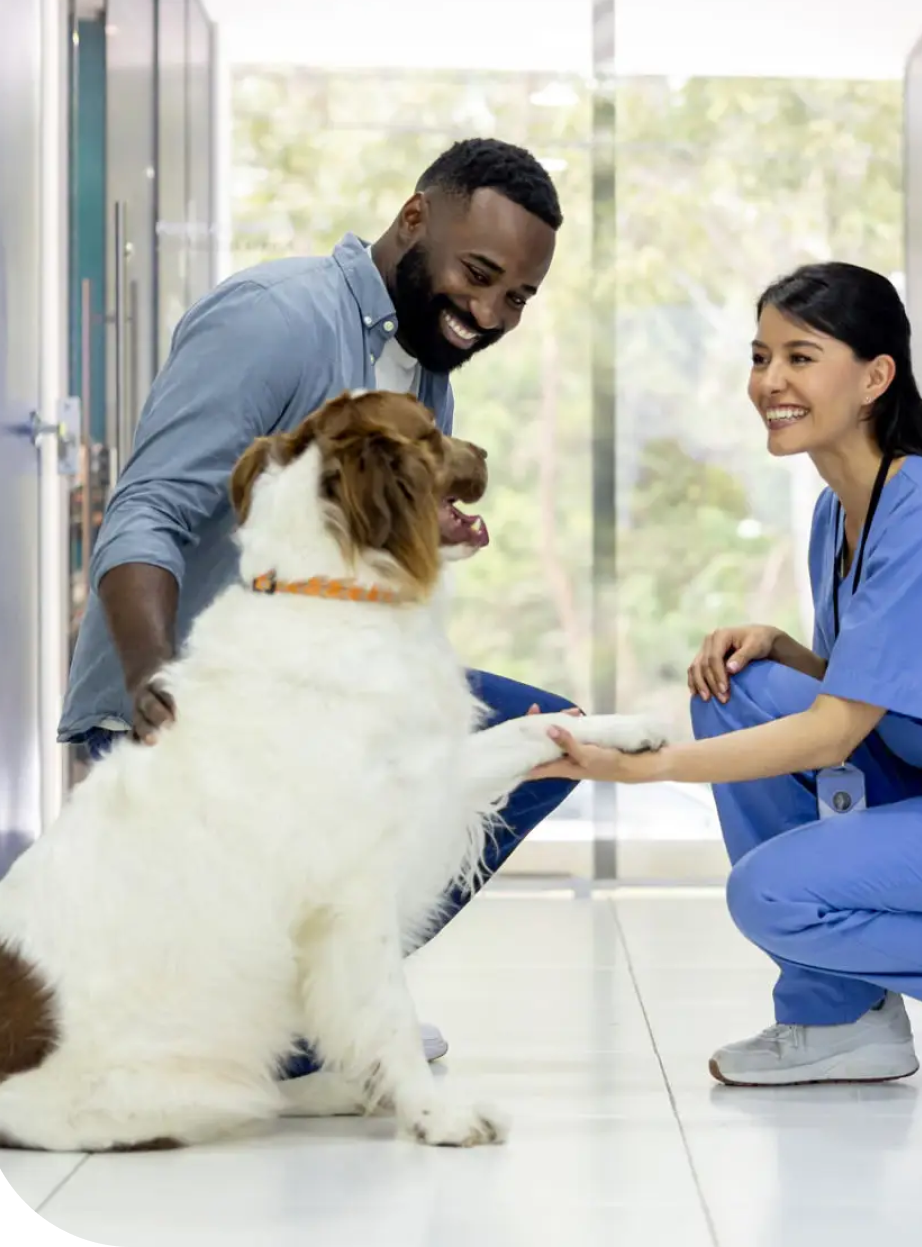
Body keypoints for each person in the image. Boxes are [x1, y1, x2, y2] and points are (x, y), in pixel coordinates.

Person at [534, 262, 922, 1097]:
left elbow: (834, 734)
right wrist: (792, 652)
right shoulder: (841, 511)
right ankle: (841, 1018)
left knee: (773, 894)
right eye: (760, 357)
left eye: (800, 357)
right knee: (739, 688)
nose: (770, 382)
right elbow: (896, 685)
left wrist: (644, 767)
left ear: (874, 377)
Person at [59, 138, 581, 1068]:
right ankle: (295, 1015)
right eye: (480, 274)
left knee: (547, 736)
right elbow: (145, 512)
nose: (490, 313)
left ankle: (323, 996)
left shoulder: (422, 361)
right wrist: (155, 688)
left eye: (517, 299)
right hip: (190, 717)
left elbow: (336, 556)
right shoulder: (277, 320)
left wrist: (424, 529)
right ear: (414, 219)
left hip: (313, 701)